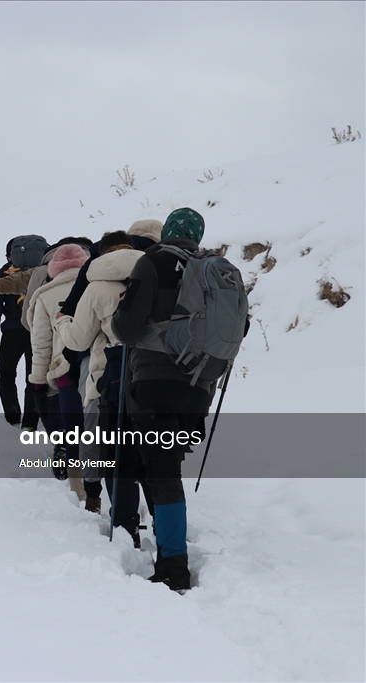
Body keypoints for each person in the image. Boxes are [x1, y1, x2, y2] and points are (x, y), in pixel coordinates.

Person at [112, 207, 226, 592]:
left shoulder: (154, 262)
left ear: (168, 232)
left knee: (162, 472)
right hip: (199, 386)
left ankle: (174, 565)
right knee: (162, 465)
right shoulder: (213, 270)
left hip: (154, 381)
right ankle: (168, 543)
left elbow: (126, 326)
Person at [54, 231, 147, 541]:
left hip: (109, 378)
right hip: (151, 375)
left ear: (103, 256)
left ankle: (121, 526)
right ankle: (163, 525)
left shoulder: (95, 288)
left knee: (109, 453)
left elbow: (78, 339)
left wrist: (62, 322)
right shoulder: (156, 277)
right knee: (152, 457)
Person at [27, 243, 89, 499]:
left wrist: (39, 380)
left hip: (63, 369)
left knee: (72, 431)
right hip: (96, 366)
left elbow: (41, 343)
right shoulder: (96, 286)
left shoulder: (44, 295)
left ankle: (79, 491)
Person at [0, 235, 48, 427]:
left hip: (12, 331)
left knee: (6, 374)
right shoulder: (44, 272)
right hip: (38, 331)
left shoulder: (3, 274)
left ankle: (12, 415)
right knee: (34, 375)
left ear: (10, 255)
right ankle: (31, 421)